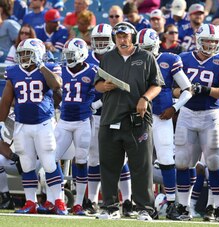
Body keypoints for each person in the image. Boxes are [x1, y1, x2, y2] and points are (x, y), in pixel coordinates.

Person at [94, 21, 164, 221]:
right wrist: (104, 86)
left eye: (125, 36)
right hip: (110, 117)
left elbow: (157, 85)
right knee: (108, 165)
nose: (122, 40)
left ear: (132, 37)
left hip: (137, 119)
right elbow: (97, 84)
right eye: (118, 37)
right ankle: (109, 206)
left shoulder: (146, 57)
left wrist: (145, 98)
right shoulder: (108, 57)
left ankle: (144, 208)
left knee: (141, 166)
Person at [0, 38, 67, 215]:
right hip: (22, 124)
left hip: (44, 122)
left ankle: (59, 201)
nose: (23, 57)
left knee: (49, 162)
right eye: (21, 54)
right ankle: (31, 202)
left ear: (37, 54)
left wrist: (41, 66)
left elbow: (57, 84)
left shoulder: (50, 68)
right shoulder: (13, 71)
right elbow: (6, 100)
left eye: (27, 53)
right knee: (27, 163)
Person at [174, 23, 219, 222]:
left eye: (213, 41)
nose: (209, 44)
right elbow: (171, 90)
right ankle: (183, 206)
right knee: (183, 161)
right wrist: (185, 91)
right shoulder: (183, 59)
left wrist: (205, 90)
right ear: (198, 40)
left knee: (214, 162)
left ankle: (216, 207)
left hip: (210, 115)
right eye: (206, 40)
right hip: (187, 113)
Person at [137, 28, 193, 220]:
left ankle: (171, 203)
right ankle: (142, 203)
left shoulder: (169, 60)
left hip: (162, 117)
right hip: (139, 117)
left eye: (148, 48)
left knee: (166, 158)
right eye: (142, 48)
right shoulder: (134, 59)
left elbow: (188, 89)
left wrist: (175, 108)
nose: (145, 52)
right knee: (139, 161)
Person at [85, 24, 134, 217]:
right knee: (94, 157)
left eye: (105, 40)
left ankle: (128, 200)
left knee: (122, 159)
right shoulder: (86, 59)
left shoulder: (120, 58)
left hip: (118, 113)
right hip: (95, 116)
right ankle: (92, 200)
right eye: (98, 40)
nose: (101, 44)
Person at [53, 38, 97, 216]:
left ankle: (78, 203)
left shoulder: (93, 71)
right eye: (67, 55)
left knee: (81, 160)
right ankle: (56, 198)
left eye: (71, 55)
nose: (68, 58)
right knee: (51, 158)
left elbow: (105, 92)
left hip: (83, 122)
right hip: (64, 121)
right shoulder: (61, 71)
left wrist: (94, 106)